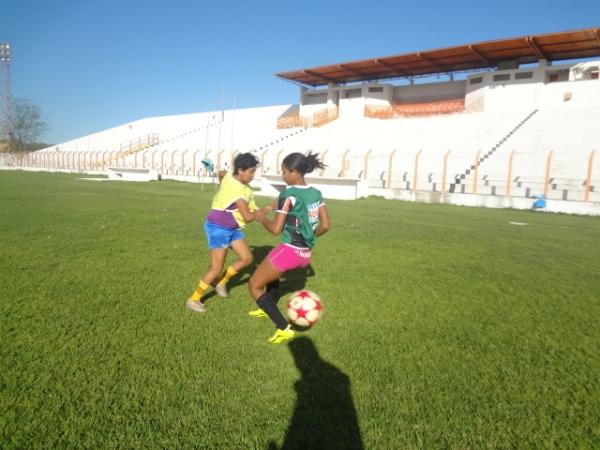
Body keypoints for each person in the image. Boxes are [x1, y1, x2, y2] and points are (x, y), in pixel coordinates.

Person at [248, 152, 331, 344]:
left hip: (289, 250)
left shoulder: (288, 194)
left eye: (284, 172)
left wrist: (262, 218)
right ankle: (266, 306)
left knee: (254, 285)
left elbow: (276, 229)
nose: (282, 175)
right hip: (305, 253)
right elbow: (326, 225)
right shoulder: (315, 193)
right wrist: (308, 236)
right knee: (272, 273)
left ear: (295, 172)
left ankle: (283, 327)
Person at [186, 153, 272, 313]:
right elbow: (247, 217)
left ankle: (221, 282)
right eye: (251, 171)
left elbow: (221, 173)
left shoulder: (230, 177)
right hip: (218, 228)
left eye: (254, 171)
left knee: (247, 258)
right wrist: (265, 210)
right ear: (240, 170)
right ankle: (194, 299)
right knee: (215, 269)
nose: (253, 175)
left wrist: (222, 189)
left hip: (232, 228)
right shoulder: (238, 193)